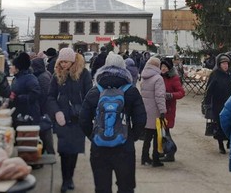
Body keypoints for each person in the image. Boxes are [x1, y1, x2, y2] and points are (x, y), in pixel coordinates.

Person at [79, 53, 147, 193]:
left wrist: (93, 135)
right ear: (124, 68)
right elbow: (141, 119)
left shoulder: (95, 91)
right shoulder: (131, 91)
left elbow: (83, 119)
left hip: (99, 145)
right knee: (126, 187)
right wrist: (131, 136)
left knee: (102, 187)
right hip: (124, 146)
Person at [46, 48, 92, 192]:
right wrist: (56, 112)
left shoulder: (84, 74)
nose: (63, 65)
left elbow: (89, 95)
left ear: (72, 61)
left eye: (65, 62)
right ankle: (65, 180)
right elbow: (50, 97)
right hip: (62, 119)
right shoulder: (57, 75)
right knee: (64, 151)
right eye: (61, 62)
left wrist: (83, 110)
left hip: (77, 119)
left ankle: (70, 177)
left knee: (74, 151)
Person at [204, 53, 231, 154]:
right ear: (219, 64)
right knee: (219, 125)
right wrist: (207, 104)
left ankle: (229, 141)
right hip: (218, 104)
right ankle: (221, 145)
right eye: (223, 63)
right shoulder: (215, 74)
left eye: (227, 63)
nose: (225, 65)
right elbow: (209, 90)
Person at [140, 56, 167, 167]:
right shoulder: (158, 78)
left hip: (146, 110)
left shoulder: (144, 77)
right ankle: (156, 159)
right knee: (157, 136)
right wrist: (162, 110)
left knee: (147, 136)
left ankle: (144, 157)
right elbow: (159, 96)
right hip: (155, 111)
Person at [160, 57, 185, 162]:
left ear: (169, 67)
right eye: (162, 66)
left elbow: (181, 92)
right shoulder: (159, 77)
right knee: (161, 131)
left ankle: (170, 152)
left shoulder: (174, 78)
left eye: (165, 66)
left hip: (169, 108)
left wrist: (170, 95)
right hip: (160, 107)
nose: (163, 68)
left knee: (166, 131)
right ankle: (165, 151)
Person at [31, 57, 55, 155]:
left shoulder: (42, 77)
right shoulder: (45, 74)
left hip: (45, 108)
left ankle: (49, 152)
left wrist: (40, 108)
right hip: (46, 108)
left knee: (45, 130)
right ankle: (48, 151)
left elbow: (45, 94)